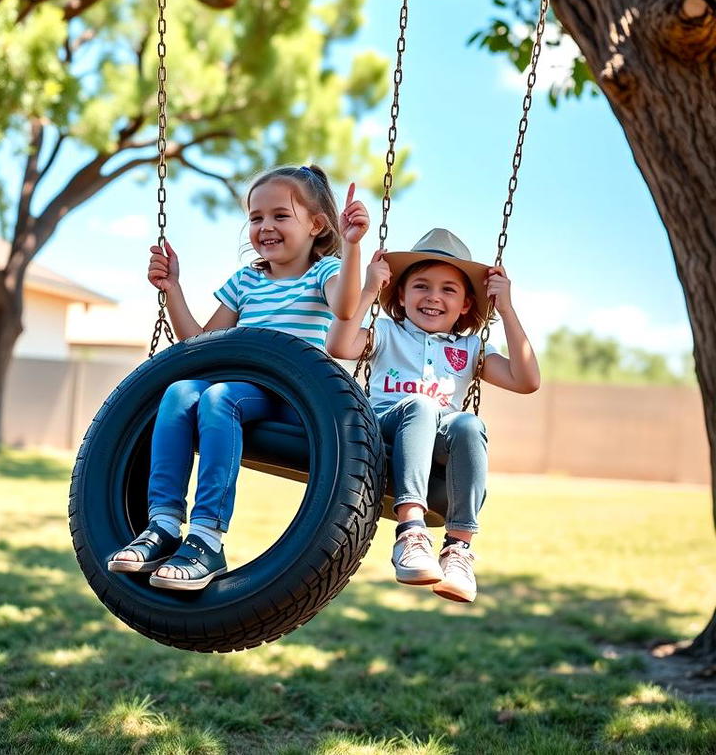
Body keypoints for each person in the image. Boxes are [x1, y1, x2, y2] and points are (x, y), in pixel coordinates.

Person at [108, 164, 369, 591]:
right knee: (178, 392)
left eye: (280, 216)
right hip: (243, 391)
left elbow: (345, 307)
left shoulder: (322, 274)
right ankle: (164, 524)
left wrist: (354, 247)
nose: (265, 226)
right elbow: (200, 343)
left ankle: (208, 538)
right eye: (256, 217)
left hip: (297, 398)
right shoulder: (246, 280)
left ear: (317, 225)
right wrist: (172, 288)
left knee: (219, 397)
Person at [326, 228, 540, 603]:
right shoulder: (386, 332)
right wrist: (368, 291)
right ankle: (410, 532)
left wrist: (506, 309)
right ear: (402, 295)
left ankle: (458, 550)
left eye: (448, 290)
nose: (433, 297)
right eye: (421, 286)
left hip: (437, 440)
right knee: (421, 406)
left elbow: (527, 380)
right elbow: (339, 345)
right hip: (383, 430)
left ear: (466, 306)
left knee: (469, 424)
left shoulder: (471, 348)